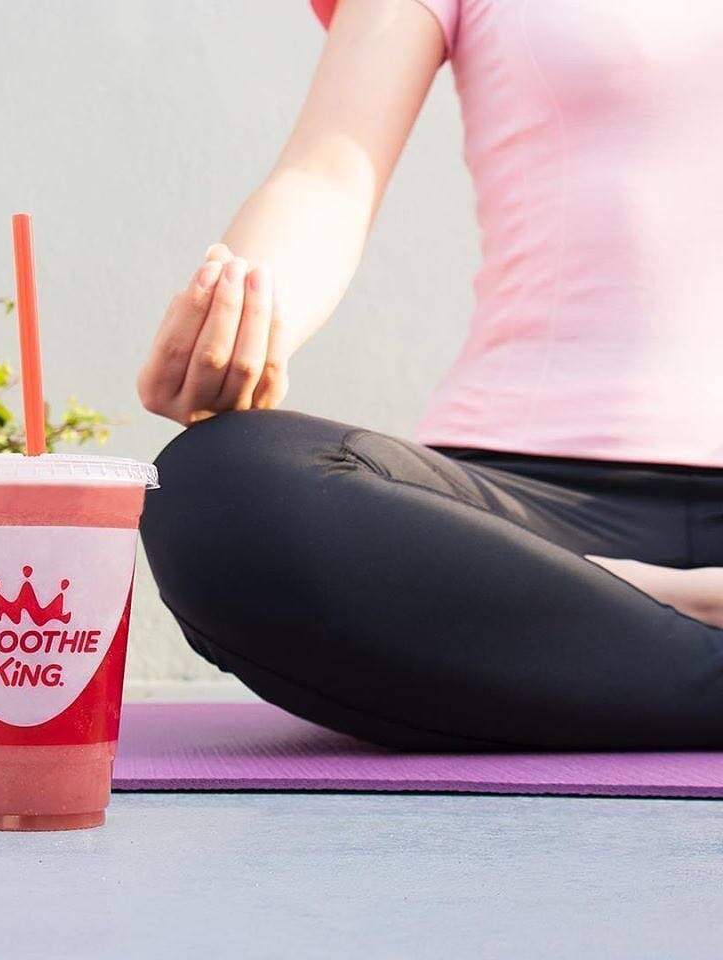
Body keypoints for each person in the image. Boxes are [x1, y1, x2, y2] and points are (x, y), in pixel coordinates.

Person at [136, 0, 723, 750]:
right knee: (219, 488)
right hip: (519, 528)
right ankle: (681, 605)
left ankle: (623, 635)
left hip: (545, 594)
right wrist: (241, 315)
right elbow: (330, 172)